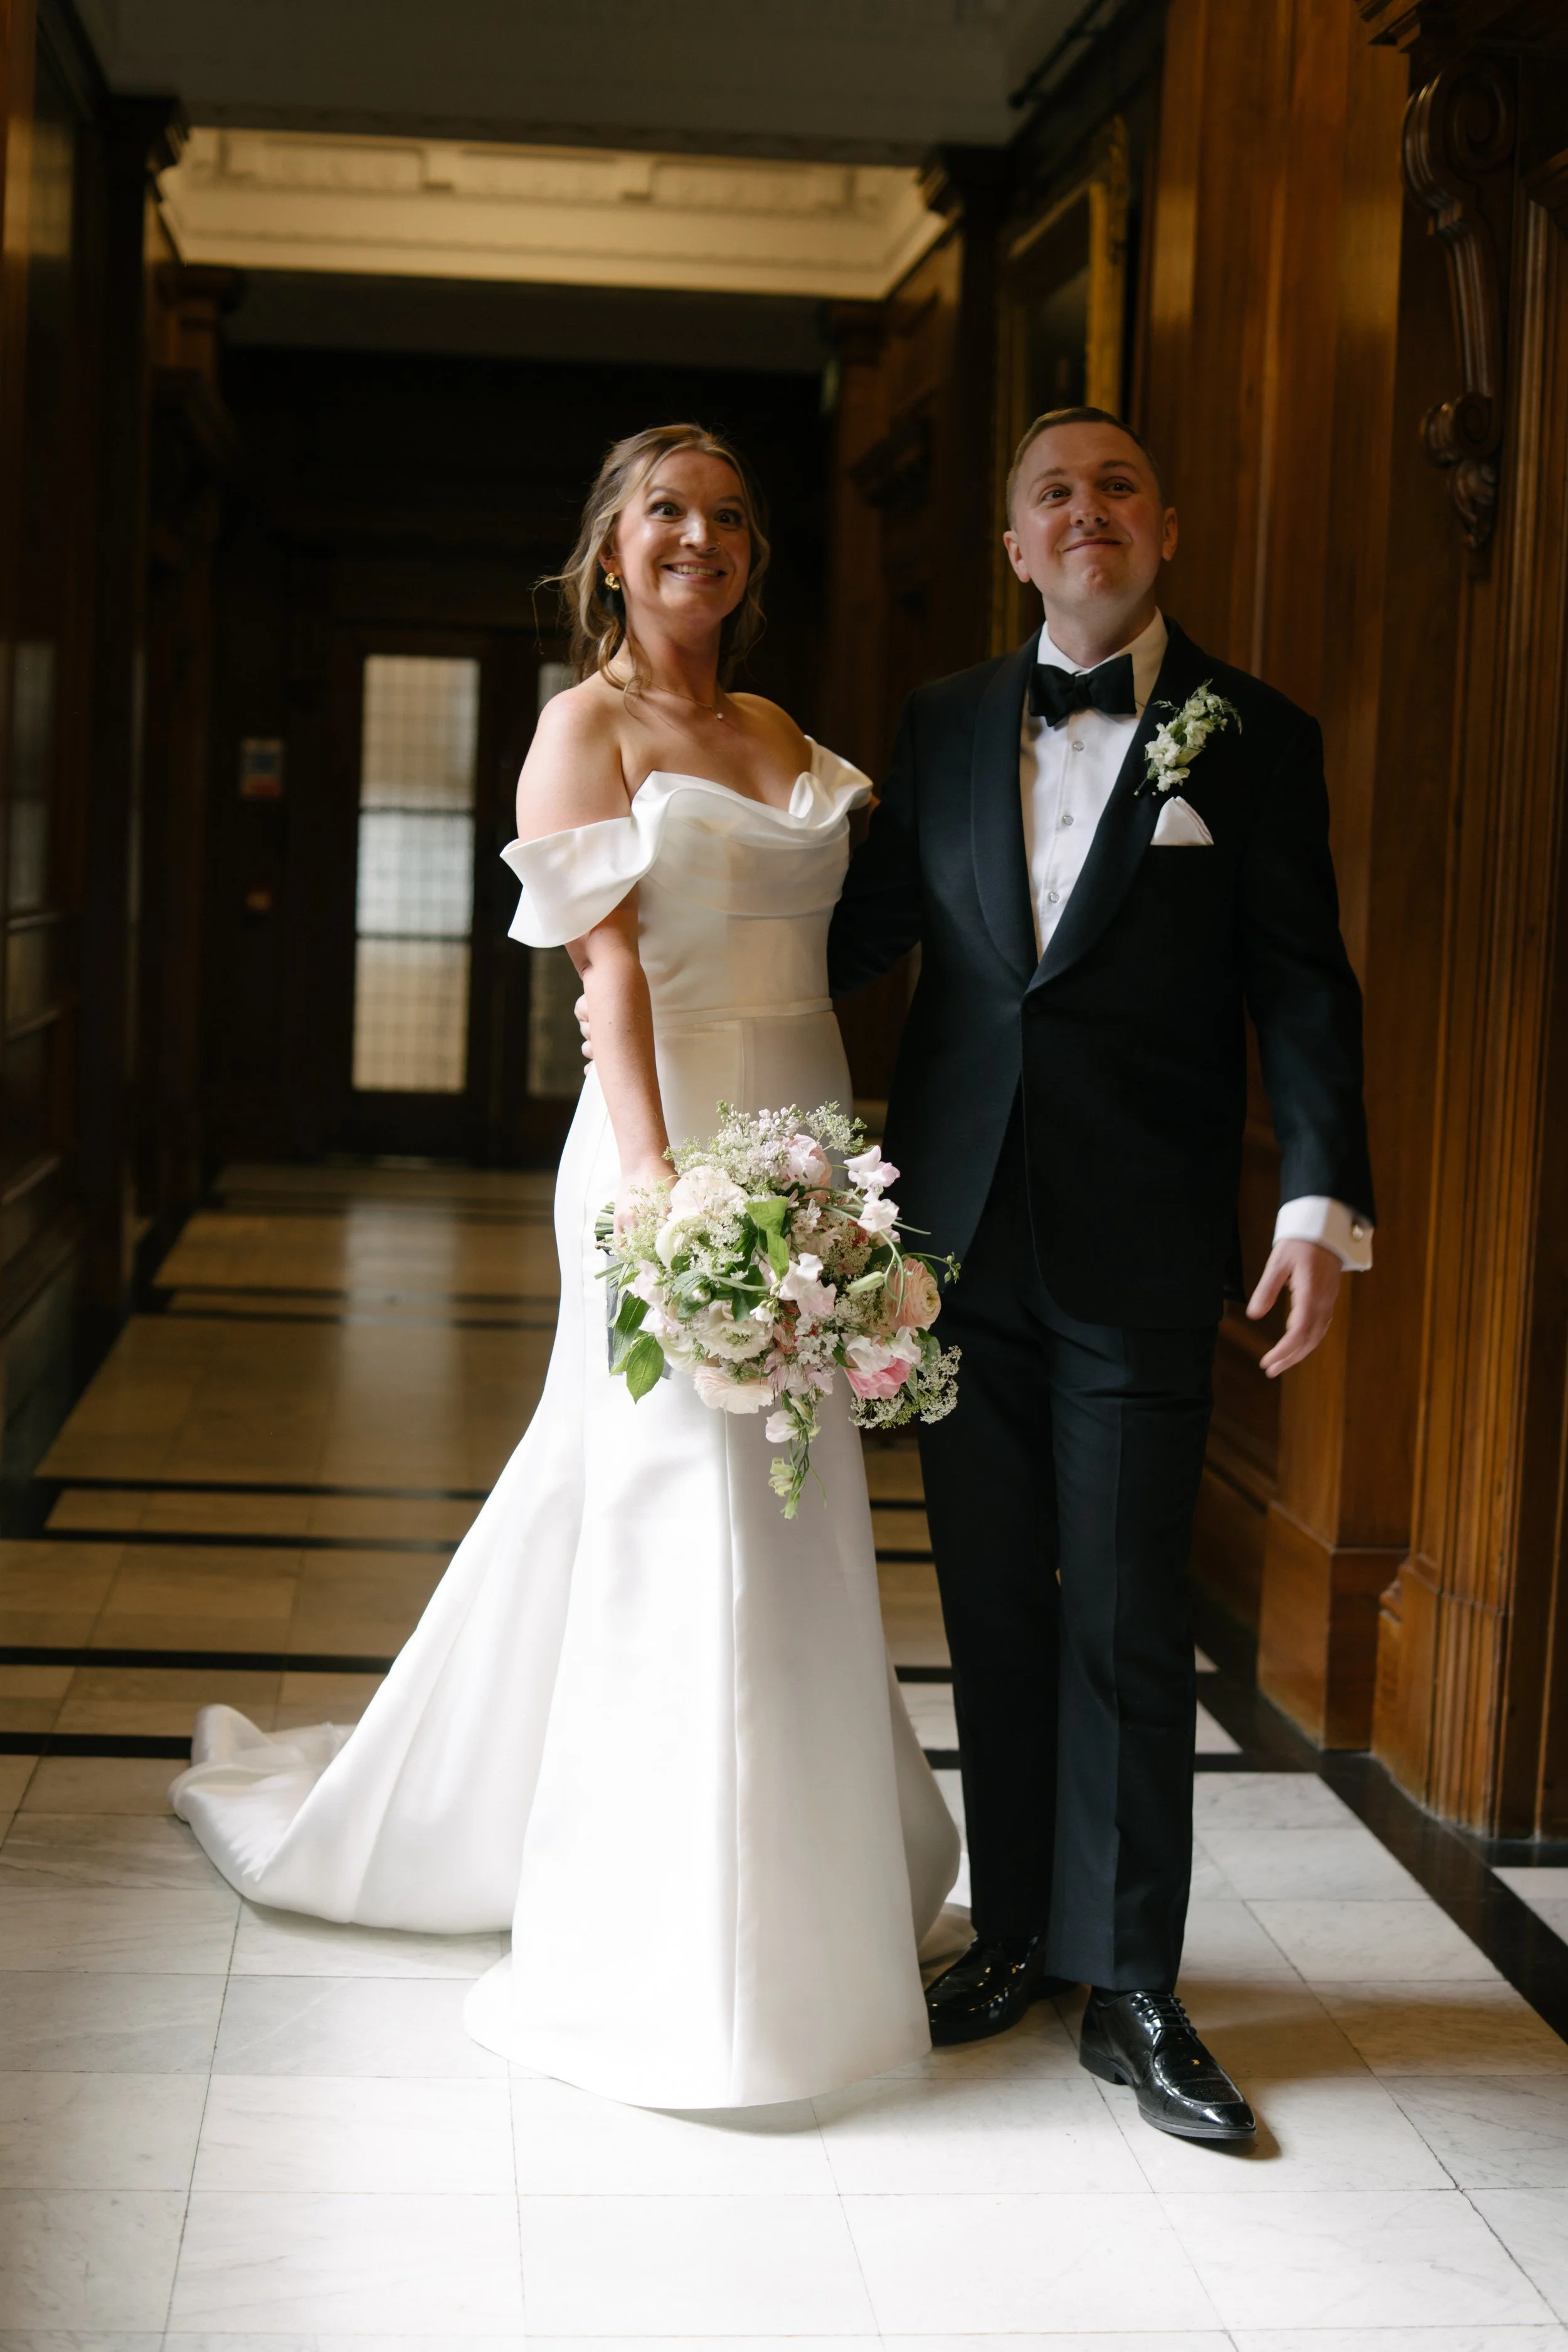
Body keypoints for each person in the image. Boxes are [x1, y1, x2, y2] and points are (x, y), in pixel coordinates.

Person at [171, 422, 960, 2111]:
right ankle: (661, 1925)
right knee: (680, 1501)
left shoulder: (773, 729)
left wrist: (840, 1175)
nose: (700, 537)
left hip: (809, 1143)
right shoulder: (579, 729)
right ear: (612, 547)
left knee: (795, 1500)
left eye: (728, 515)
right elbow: (607, 983)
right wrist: (660, 1190)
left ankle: (809, 1886)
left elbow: (847, 934)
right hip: (662, 1144)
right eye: (666, 511)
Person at [826, 406, 1374, 2144]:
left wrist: (1318, 1203)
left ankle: (1132, 1982)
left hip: (1139, 1245)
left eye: (1117, 485)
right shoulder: (936, 726)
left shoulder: (1255, 735)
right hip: (951, 1248)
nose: (1088, 511)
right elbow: (859, 939)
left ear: (1167, 526)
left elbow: (1304, 983)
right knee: (991, 1603)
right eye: (1054, 492)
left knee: (1129, 1617)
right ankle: (1014, 1936)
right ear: (1014, 544)